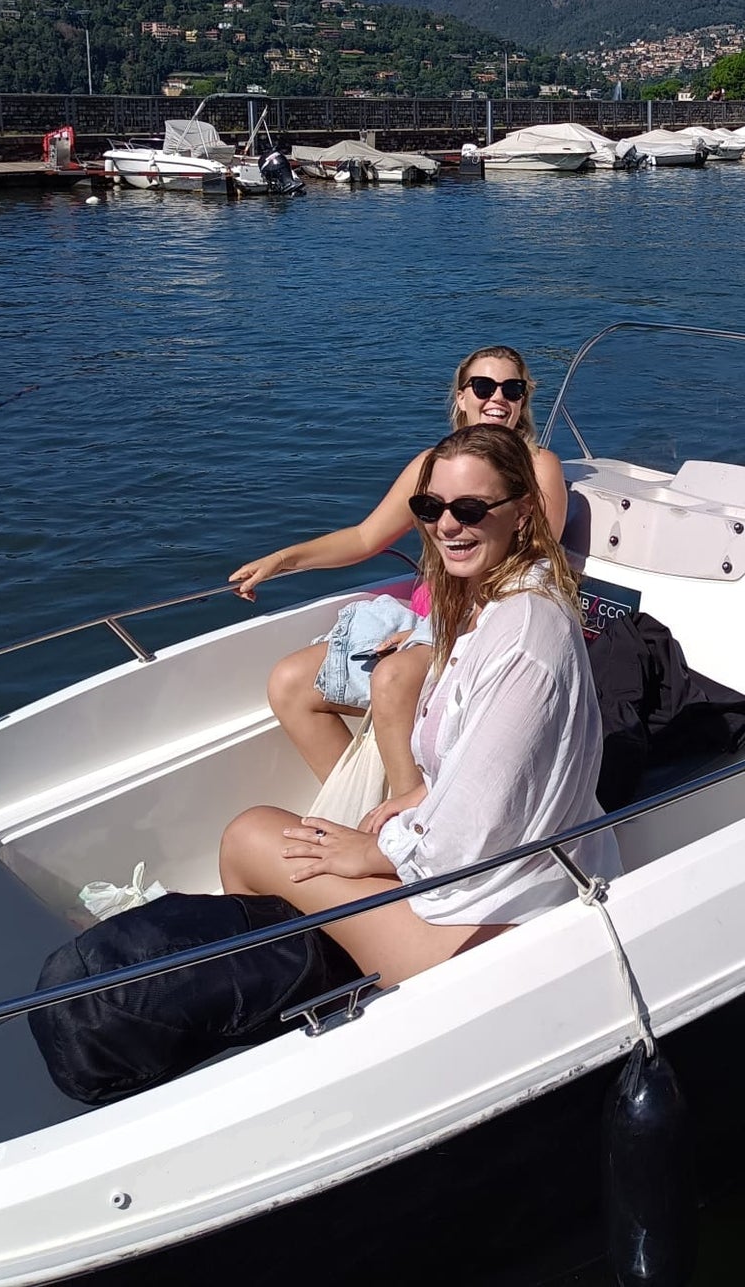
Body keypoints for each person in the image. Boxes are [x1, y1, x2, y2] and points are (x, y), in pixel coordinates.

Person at [219, 425, 618, 986]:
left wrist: (371, 851)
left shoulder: (524, 637)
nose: (448, 525)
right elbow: (488, 760)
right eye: (431, 507)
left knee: (249, 836)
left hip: (486, 921)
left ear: (524, 511)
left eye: (472, 509)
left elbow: (468, 835)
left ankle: (277, 1012)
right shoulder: (483, 603)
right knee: (290, 836)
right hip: (481, 883)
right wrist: (420, 796)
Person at [230, 347, 568, 786]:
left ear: (524, 399)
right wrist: (281, 560)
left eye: (511, 388)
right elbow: (364, 538)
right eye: (483, 387)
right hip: (429, 616)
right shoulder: (434, 466)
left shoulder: (538, 468)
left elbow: (531, 569)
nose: (496, 398)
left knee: (392, 679)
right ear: (461, 397)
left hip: (485, 626)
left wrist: (432, 633)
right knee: (290, 682)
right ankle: (367, 814)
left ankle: (404, 828)